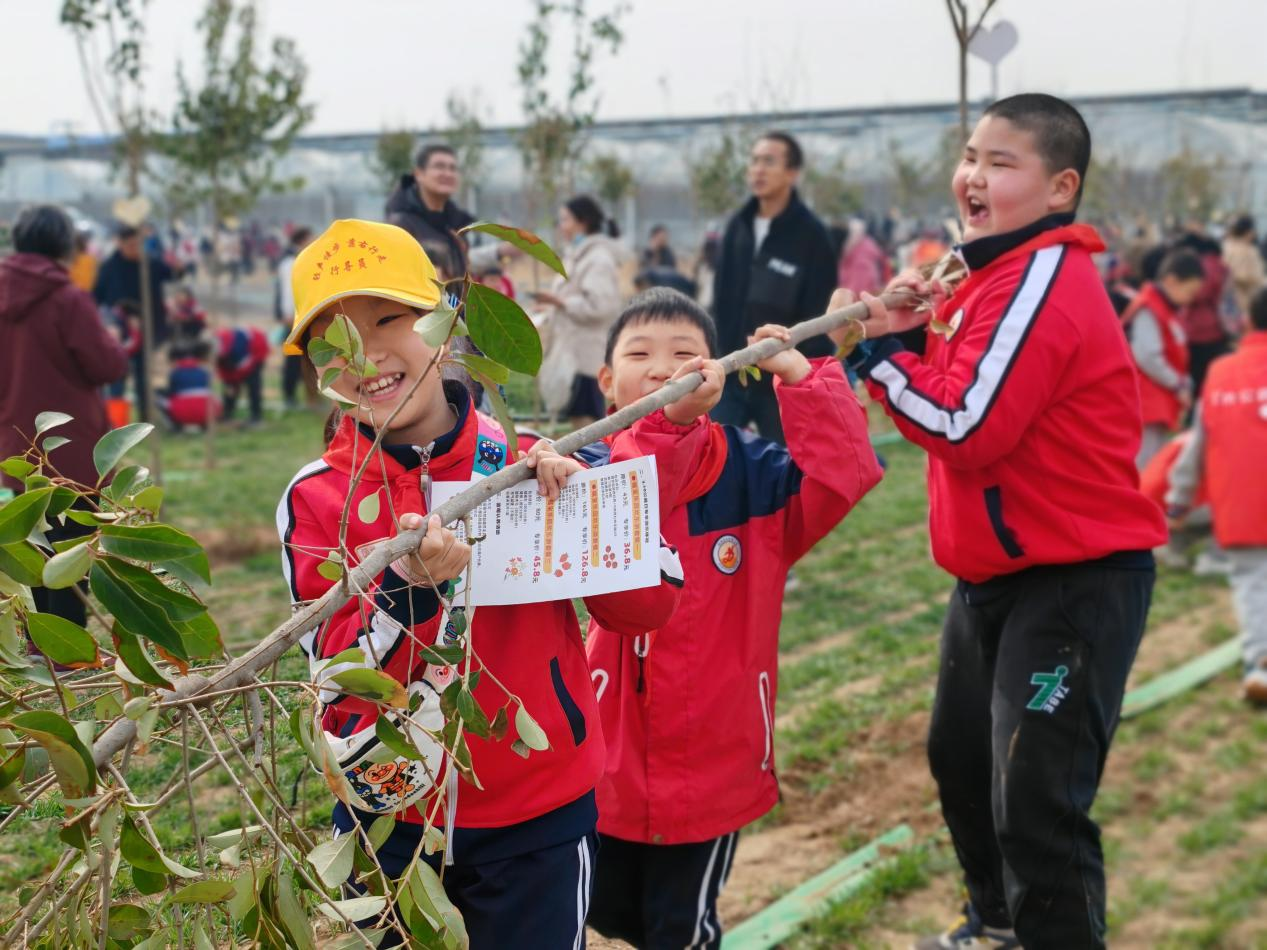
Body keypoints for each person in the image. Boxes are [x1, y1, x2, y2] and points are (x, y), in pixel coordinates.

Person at [276, 218, 683, 949]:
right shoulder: (315, 500)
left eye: (388, 319)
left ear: (446, 324)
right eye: (331, 339)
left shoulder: (525, 462)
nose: (364, 354)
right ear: (313, 369)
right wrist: (408, 591)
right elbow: (335, 684)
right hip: (384, 817)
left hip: (536, 815)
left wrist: (586, 516)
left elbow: (647, 607)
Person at [836, 94, 1167, 950]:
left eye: (999, 162)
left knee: (1036, 801)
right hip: (990, 577)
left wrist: (879, 355)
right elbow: (957, 395)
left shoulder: (1044, 279)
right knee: (961, 764)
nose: (972, 176)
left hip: (1074, 580)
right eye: (969, 155)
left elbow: (965, 427)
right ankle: (995, 927)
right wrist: (909, 332)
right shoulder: (979, 275)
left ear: (1060, 188)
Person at [582, 288, 883, 949]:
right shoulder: (587, 471)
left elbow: (843, 476)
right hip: (609, 754)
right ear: (607, 381)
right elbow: (641, 496)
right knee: (607, 910)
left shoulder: (754, 474)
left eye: (684, 353)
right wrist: (665, 431)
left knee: (679, 929)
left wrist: (803, 380)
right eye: (640, 354)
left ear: (715, 369)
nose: (663, 369)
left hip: (715, 753)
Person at [0, 204, 128, 625]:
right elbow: (107, 366)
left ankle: (44, 640)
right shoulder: (67, 299)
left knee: (32, 537)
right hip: (73, 448)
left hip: (19, 446)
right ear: (64, 245)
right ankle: (68, 648)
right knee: (73, 546)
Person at [1167, 287, 1267, 705]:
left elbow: (1197, 443)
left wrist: (1178, 497)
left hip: (1243, 503)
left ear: (1247, 321)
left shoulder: (1222, 372)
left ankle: (1259, 663)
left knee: (1252, 585)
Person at [711, 131, 837, 443]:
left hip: (782, 377)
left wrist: (800, 371)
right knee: (718, 455)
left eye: (769, 161)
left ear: (792, 173)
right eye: (754, 161)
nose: (758, 169)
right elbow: (722, 298)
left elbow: (818, 314)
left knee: (785, 466)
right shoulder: (737, 227)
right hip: (731, 368)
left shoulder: (812, 236)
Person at [532, 195, 626, 426]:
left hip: (585, 356)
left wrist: (560, 302)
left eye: (565, 220)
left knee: (587, 422)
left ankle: (594, 464)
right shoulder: (579, 256)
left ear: (582, 222)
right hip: (574, 353)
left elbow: (600, 306)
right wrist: (552, 306)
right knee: (581, 418)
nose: (561, 226)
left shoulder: (597, 259)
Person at [1120, 250, 1204, 467]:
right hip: (1147, 398)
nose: (1190, 299)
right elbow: (1147, 355)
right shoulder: (1149, 307)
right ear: (1172, 281)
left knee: (1153, 460)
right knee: (1146, 464)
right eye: (1190, 291)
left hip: (1158, 397)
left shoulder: (1164, 307)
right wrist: (1177, 383)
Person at [93, 224, 179, 420]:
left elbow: (172, 274)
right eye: (130, 245)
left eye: (138, 244)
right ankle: (116, 424)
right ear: (120, 243)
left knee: (143, 377)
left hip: (147, 329)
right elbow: (96, 297)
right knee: (117, 378)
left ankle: (145, 421)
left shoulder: (150, 264)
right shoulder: (109, 267)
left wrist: (178, 267)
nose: (134, 248)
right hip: (117, 332)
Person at [384, 143, 512, 274]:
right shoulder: (401, 225)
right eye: (439, 166)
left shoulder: (456, 226)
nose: (448, 173)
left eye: (453, 168)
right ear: (418, 174)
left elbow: (460, 270)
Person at [1174, 223, 1231, 397]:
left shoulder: (1204, 265)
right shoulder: (1217, 263)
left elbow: (1197, 294)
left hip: (1201, 329)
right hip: (1215, 327)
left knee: (1198, 376)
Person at [275, 226, 316, 409]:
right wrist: (287, 314)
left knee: (308, 357)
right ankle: (290, 396)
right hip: (293, 318)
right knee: (293, 359)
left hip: (303, 316)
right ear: (301, 241)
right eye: (310, 238)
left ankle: (311, 396)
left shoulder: (301, 260)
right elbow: (287, 293)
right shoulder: (290, 263)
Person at [158, 338, 220, 430]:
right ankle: (204, 425)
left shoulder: (176, 372)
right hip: (207, 411)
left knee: (157, 398)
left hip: (184, 411)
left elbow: (172, 393)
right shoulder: (203, 371)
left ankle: (175, 426)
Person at [214, 326, 270, 425]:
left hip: (256, 349)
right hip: (233, 358)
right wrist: (230, 382)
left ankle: (256, 414)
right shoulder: (217, 345)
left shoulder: (237, 348)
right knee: (230, 386)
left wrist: (235, 376)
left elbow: (247, 365)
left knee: (253, 384)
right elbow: (226, 372)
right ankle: (228, 412)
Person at [1222, 214, 1264, 328]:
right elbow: (1244, 276)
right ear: (1248, 232)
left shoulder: (1225, 246)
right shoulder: (1247, 250)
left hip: (1226, 302)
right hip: (1245, 302)